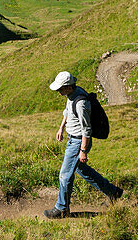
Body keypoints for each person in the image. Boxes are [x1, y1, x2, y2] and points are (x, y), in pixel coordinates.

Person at [43, 71, 122, 218]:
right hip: (72, 138)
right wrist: (61, 127)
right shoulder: (72, 94)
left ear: (68, 87)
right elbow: (67, 111)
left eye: (60, 89)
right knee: (81, 170)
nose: (59, 92)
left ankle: (61, 209)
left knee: (64, 175)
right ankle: (113, 192)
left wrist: (83, 150)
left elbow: (86, 129)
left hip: (78, 141)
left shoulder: (81, 103)